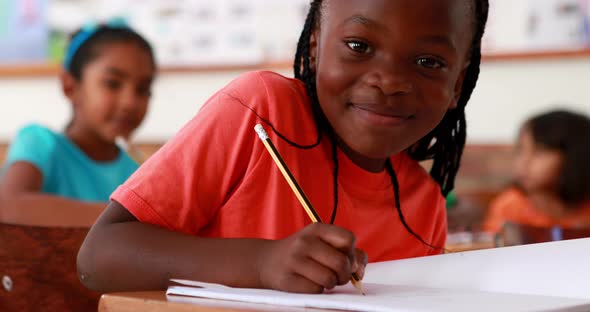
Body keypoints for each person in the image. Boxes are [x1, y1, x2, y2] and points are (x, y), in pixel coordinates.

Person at [78, 0, 489, 294]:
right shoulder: (261, 112)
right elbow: (99, 258)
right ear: (314, 44)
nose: (389, 81)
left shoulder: (423, 206)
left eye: (429, 62)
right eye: (359, 46)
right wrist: (262, 263)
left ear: (457, 83)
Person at [0, 21, 156, 227]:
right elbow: (8, 205)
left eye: (143, 89)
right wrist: (126, 219)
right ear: (70, 86)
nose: (130, 102)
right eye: (113, 83)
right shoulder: (39, 142)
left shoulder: (137, 174)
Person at [484, 110, 590, 233]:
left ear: (574, 157)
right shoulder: (511, 206)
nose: (524, 162)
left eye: (539, 152)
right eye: (520, 150)